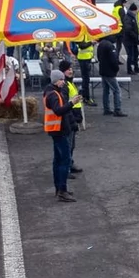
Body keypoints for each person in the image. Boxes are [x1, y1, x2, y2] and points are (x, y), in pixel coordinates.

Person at [43, 70, 80, 202]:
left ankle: (59, 188)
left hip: (56, 130)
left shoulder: (51, 92)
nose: (63, 82)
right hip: (59, 130)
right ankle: (62, 190)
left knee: (58, 160)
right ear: (56, 80)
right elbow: (59, 111)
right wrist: (71, 103)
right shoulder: (53, 95)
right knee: (64, 160)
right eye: (61, 80)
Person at [56, 60, 85, 179]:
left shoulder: (70, 83)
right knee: (67, 146)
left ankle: (69, 164)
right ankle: (65, 169)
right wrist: (72, 118)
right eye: (68, 69)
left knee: (71, 145)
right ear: (63, 72)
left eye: (71, 69)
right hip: (70, 119)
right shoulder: (65, 86)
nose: (71, 71)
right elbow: (66, 105)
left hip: (74, 119)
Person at [96, 35, 126, 117]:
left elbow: (98, 57)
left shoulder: (101, 44)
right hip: (109, 72)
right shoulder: (110, 46)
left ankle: (106, 109)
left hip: (103, 70)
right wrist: (116, 69)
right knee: (117, 90)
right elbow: (114, 60)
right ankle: (117, 109)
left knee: (105, 91)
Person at [72, 40, 96, 106]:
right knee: (85, 80)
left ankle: (84, 95)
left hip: (87, 58)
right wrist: (91, 42)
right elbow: (82, 45)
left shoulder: (85, 35)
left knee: (86, 80)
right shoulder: (81, 35)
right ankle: (86, 98)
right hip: (83, 58)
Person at [122, 3, 139, 75]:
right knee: (130, 55)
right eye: (136, 11)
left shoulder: (131, 16)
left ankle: (136, 67)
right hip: (129, 40)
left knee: (136, 54)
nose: (136, 12)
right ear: (133, 10)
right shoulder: (128, 18)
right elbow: (128, 29)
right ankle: (129, 69)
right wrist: (134, 36)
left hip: (132, 40)